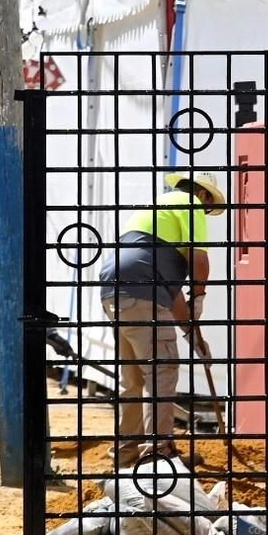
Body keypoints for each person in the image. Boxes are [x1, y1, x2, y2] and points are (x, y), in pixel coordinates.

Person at [97, 170, 226, 466]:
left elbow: (171, 296)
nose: (205, 212)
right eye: (208, 206)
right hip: (143, 290)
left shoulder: (158, 208)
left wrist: (193, 336)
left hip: (115, 291)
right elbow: (199, 258)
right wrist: (202, 295)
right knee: (162, 369)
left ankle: (126, 454)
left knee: (132, 378)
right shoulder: (190, 204)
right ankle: (159, 454)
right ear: (203, 195)